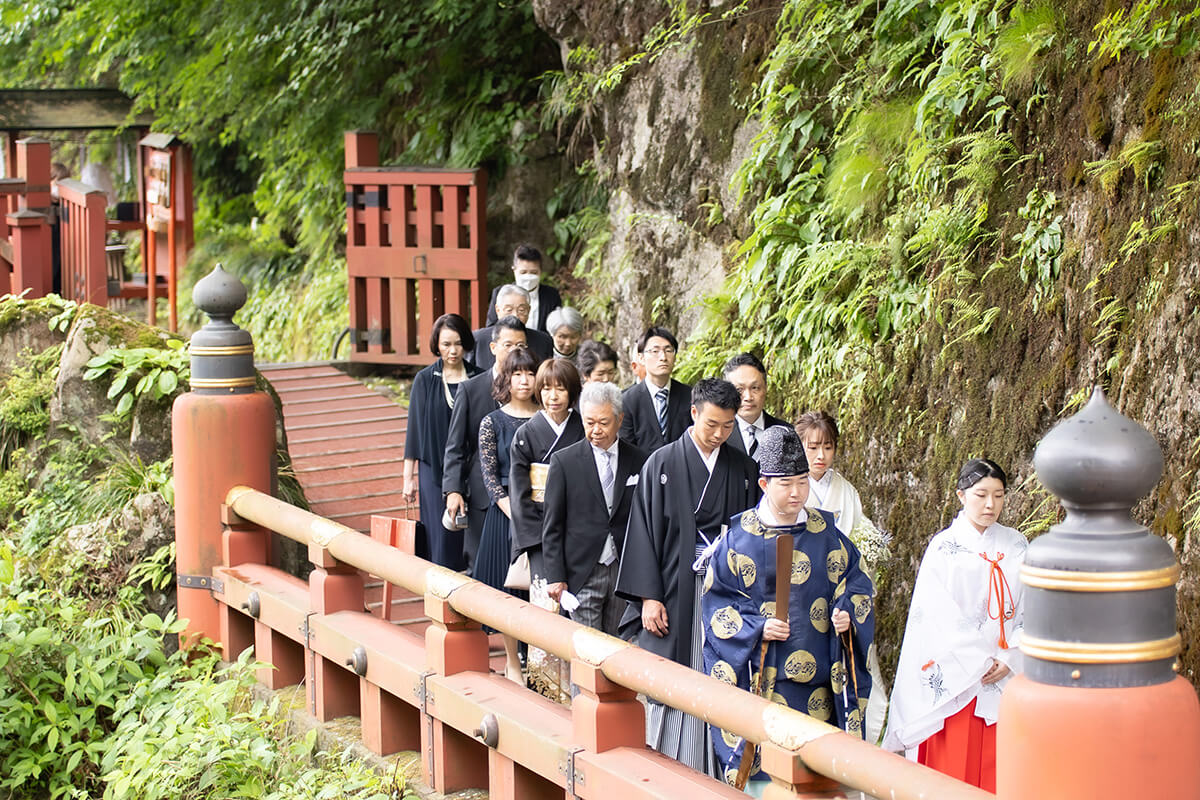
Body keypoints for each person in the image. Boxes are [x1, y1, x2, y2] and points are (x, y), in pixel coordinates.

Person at [703, 426, 874, 793]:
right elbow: (718, 604)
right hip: (762, 681)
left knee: (816, 779)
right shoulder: (738, 540)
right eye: (786, 484)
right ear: (764, 484)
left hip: (820, 689)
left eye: (802, 482)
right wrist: (755, 628)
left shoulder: (827, 535)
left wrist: (846, 613)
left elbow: (856, 584)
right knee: (766, 780)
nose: (797, 492)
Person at [615, 378, 760, 776]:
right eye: (711, 424)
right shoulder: (660, 463)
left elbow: (751, 535)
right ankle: (670, 765)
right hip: (673, 589)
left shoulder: (744, 469)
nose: (718, 434)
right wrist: (648, 597)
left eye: (728, 426)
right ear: (693, 413)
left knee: (724, 671)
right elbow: (642, 531)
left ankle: (722, 767)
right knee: (675, 675)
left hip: (725, 590)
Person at [883, 458, 1026, 793]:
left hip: (1005, 671)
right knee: (950, 770)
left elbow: (1032, 608)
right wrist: (978, 660)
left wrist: (1010, 656)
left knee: (998, 768)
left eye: (999, 495)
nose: (991, 504)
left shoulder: (1017, 545)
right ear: (961, 496)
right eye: (981, 495)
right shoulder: (944, 548)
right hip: (956, 674)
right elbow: (935, 615)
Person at [794, 409, 891, 745]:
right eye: (812, 447)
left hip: (843, 599)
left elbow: (859, 548)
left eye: (828, 447)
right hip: (804, 599)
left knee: (853, 677)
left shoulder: (846, 491)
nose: (821, 456)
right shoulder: (791, 489)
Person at [542, 382, 648, 636]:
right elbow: (552, 525)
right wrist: (555, 575)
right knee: (586, 650)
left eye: (603, 422)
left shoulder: (640, 460)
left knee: (618, 647)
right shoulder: (564, 461)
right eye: (589, 423)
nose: (596, 430)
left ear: (619, 420)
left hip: (624, 570)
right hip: (583, 571)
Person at [472, 347, 542, 683]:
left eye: (530, 373)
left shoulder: (546, 418)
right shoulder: (492, 422)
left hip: (545, 512)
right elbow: (489, 476)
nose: (525, 380)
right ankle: (513, 661)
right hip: (506, 516)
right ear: (507, 378)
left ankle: (541, 663)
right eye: (517, 374)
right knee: (508, 591)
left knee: (540, 591)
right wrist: (515, 513)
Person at [443, 316, 531, 569]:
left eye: (521, 346)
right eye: (508, 345)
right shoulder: (471, 389)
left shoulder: (532, 388)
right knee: (481, 565)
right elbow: (456, 445)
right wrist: (454, 490)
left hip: (525, 493)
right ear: (493, 348)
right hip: (482, 492)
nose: (515, 351)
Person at [403, 314, 482, 569]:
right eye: (446, 344)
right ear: (436, 344)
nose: (452, 350)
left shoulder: (480, 377)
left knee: (471, 533)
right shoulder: (425, 380)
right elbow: (414, 430)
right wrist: (408, 478)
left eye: (457, 343)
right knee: (441, 535)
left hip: (472, 467)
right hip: (433, 468)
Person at [509, 358, 585, 583]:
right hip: (539, 529)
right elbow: (519, 494)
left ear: (572, 391)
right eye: (546, 388)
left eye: (560, 389)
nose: (553, 396)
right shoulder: (525, 435)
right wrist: (539, 537)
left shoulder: (583, 429)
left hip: (578, 528)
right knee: (546, 601)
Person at [619, 327, 691, 453]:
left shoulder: (690, 395)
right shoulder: (627, 401)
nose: (663, 357)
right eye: (655, 351)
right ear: (641, 358)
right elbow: (626, 448)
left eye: (669, 350)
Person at [721, 353, 789, 457]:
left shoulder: (786, 432)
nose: (748, 397)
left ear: (765, 388)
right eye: (739, 390)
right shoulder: (719, 436)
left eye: (755, 388)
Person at [484, 244, 563, 332]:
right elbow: (491, 327)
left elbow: (557, 327)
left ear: (541, 271)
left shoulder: (551, 295)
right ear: (514, 270)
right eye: (523, 272)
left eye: (533, 272)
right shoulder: (500, 293)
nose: (528, 277)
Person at [473, 284, 554, 368]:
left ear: (529, 310)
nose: (515, 315)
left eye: (521, 310)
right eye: (509, 310)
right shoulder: (478, 339)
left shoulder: (543, 341)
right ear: (497, 310)